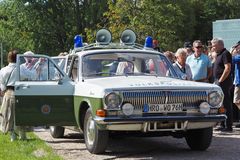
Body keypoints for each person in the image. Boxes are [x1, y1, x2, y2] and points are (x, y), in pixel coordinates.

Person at [0, 50, 27, 141]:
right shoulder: (21, 69)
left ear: (8, 58)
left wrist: (4, 91)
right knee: (22, 114)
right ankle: (22, 135)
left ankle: (12, 136)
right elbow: (28, 77)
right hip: (21, 92)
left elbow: (2, 84)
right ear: (18, 58)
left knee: (8, 115)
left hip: (8, 92)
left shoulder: (3, 70)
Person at [211, 37, 233, 132]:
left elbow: (227, 68)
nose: (213, 47)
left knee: (226, 104)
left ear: (220, 45)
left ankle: (229, 126)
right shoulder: (219, 54)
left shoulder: (225, 53)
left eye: (214, 45)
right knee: (220, 104)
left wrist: (220, 80)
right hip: (218, 81)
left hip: (224, 82)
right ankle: (222, 123)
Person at [231, 41, 240, 127]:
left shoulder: (238, 56)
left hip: (239, 82)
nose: (237, 48)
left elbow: (231, 60)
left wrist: (232, 51)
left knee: (236, 100)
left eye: (238, 47)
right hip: (237, 81)